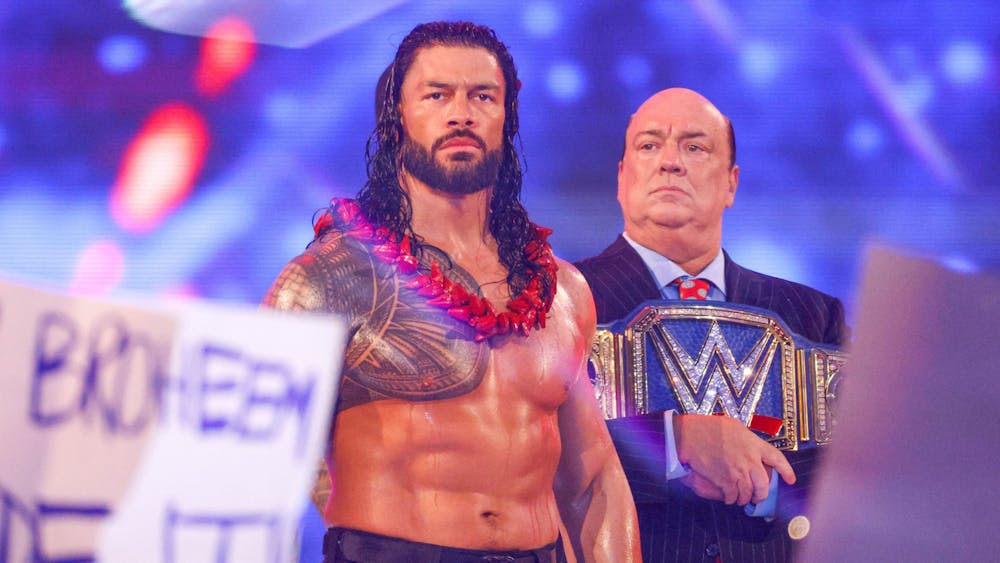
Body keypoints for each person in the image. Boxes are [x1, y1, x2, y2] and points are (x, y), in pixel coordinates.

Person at [263, 21, 640, 563]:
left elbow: (591, 481)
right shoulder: (328, 279)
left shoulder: (562, 292)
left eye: (482, 96)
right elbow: (259, 463)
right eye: (436, 94)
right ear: (397, 120)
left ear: (506, 118)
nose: (461, 113)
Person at [574, 88, 847, 563]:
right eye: (649, 145)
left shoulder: (813, 314)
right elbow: (537, 442)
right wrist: (675, 445)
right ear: (622, 178)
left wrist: (756, 477)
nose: (670, 162)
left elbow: (853, 467)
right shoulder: (561, 299)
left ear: (731, 184)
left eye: (694, 147)